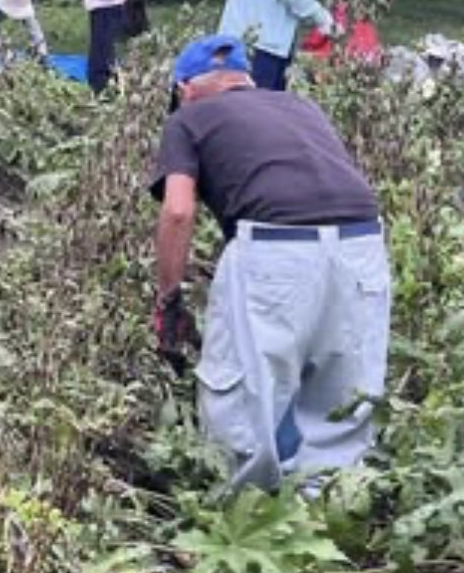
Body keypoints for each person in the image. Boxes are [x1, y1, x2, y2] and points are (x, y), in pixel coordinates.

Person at [150, 34, 389, 493]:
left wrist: (169, 299)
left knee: (243, 402)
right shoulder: (301, 107)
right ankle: (329, 514)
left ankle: (242, 517)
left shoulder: (187, 118)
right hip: (363, 243)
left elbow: (178, 211)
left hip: (275, 247)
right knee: (340, 403)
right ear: (247, 80)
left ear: (184, 89)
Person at [301, 0, 382, 65]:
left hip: (345, 60)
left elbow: (311, 43)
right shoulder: (363, 20)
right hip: (357, 60)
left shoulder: (333, 18)